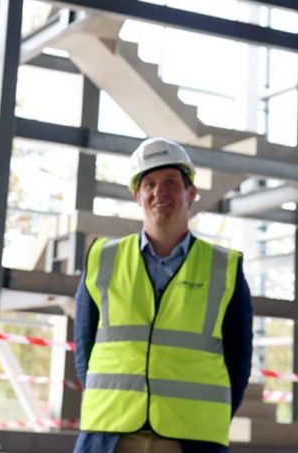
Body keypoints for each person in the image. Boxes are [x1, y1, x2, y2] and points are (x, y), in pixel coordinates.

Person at [73, 137, 253, 453]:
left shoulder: (224, 269)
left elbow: (239, 362)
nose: (160, 192)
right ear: (137, 195)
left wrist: (206, 415)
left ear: (191, 193)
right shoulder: (103, 259)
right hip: (111, 435)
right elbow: (84, 348)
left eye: (171, 182)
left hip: (191, 439)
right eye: (150, 183)